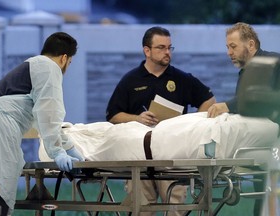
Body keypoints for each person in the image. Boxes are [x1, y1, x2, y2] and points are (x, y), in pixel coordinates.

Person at [106, 26, 216, 216]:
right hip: (138, 155)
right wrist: (136, 118)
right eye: (161, 47)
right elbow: (113, 116)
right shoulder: (130, 80)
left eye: (170, 48)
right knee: (140, 210)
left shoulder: (181, 78)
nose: (167, 53)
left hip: (173, 154)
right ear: (146, 50)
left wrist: (191, 124)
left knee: (174, 209)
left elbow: (209, 100)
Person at [0, 32, 84, 216]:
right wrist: (57, 152)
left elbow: (46, 122)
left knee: (0, 182)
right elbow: (49, 113)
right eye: (70, 63)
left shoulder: (35, 67)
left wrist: (72, 150)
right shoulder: (49, 67)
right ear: (64, 58)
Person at [207, 22, 280, 216]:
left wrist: (228, 106)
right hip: (262, 143)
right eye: (227, 47)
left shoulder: (272, 63)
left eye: (233, 46)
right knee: (263, 197)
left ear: (250, 44)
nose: (229, 52)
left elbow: (261, 99)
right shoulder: (247, 71)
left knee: (270, 197)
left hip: (275, 146)